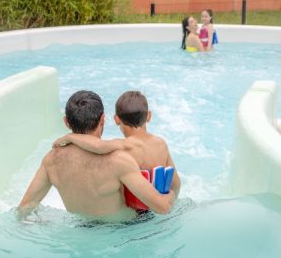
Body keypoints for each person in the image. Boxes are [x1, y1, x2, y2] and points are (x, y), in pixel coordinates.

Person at [18, 90, 175, 219]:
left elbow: (24, 209)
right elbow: (162, 207)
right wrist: (171, 195)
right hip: (123, 235)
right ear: (103, 119)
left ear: (66, 122)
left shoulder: (50, 160)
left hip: (81, 233)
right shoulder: (119, 160)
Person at [53, 91, 181, 211]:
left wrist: (70, 137)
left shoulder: (125, 146)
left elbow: (97, 147)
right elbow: (175, 183)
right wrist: (169, 198)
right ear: (148, 116)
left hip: (134, 215)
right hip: (157, 207)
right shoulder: (161, 144)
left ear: (116, 119)